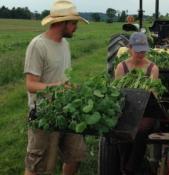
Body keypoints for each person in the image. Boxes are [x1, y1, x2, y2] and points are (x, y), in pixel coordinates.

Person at [23, 0, 88, 175]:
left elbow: (62, 77)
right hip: (44, 113)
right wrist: (56, 87)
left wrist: (70, 87)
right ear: (61, 23)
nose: (76, 27)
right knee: (38, 165)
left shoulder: (65, 44)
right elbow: (30, 85)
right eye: (73, 23)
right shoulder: (38, 45)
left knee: (75, 156)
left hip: (67, 110)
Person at [114, 32, 159, 174]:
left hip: (146, 111)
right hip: (127, 109)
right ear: (130, 48)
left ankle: (130, 168)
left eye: (143, 49)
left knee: (140, 130)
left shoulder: (152, 68)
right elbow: (118, 92)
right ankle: (125, 166)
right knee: (123, 130)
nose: (141, 53)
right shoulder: (122, 67)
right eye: (137, 49)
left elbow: (153, 94)